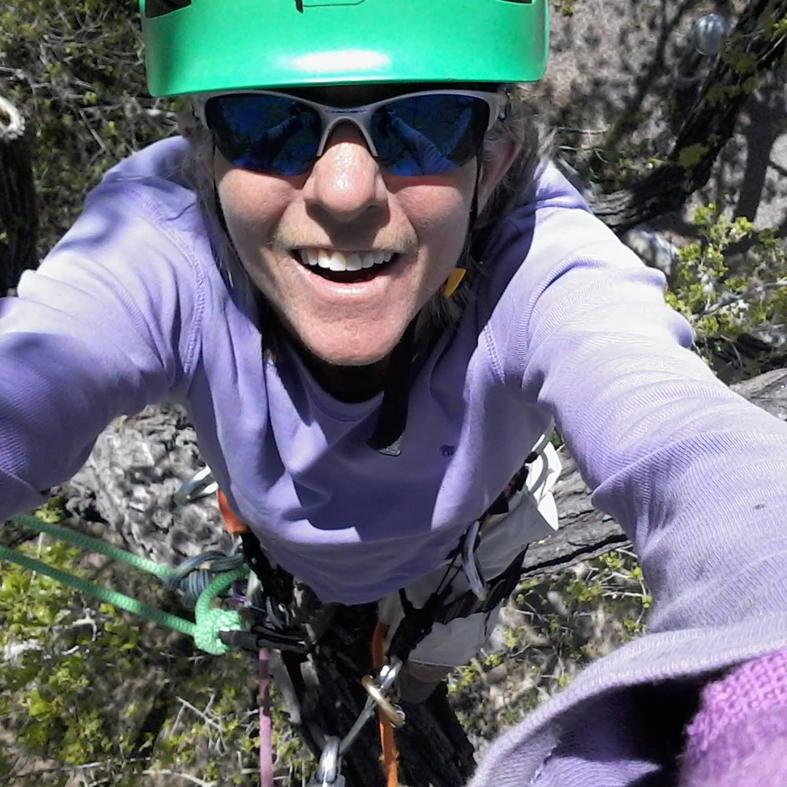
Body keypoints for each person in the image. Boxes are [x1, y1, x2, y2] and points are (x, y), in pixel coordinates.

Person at [1, 1, 786, 784]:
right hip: (309, 554)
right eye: (264, 123)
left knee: (428, 658)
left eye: (427, 124)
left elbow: (689, 441)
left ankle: (409, 679)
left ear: (496, 160)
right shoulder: (157, 241)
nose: (345, 192)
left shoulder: (540, 263)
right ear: (203, 153)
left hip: (454, 557)